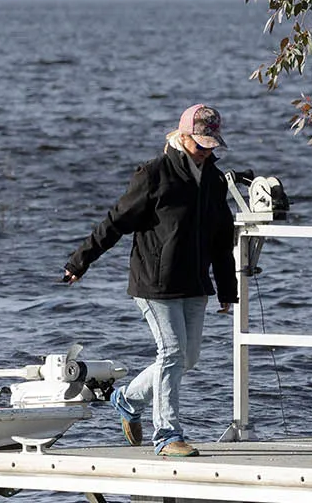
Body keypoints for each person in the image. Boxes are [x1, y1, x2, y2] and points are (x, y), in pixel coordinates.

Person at [62, 103, 239, 458]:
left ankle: (126, 399)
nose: (205, 151)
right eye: (199, 144)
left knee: (187, 359)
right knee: (171, 353)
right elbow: (115, 221)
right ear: (182, 136)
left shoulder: (216, 181)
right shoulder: (154, 175)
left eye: (210, 145)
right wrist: (80, 261)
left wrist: (227, 288)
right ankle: (167, 435)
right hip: (155, 282)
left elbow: (221, 237)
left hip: (194, 282)